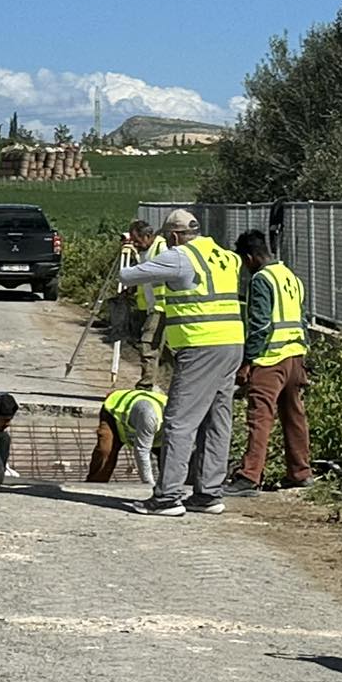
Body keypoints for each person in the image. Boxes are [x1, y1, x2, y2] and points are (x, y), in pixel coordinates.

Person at [113, 208, 245, 516]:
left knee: (179, 421)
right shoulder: (226, 257)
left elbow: (127, 276)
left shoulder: (180, 256)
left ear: (173, 236)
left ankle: (168, 496)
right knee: (217, 420)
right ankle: (209, 493)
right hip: (232, 343)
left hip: (200, 345)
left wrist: (129, 253)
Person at [225, 229, 313, 496]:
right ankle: (300, 472)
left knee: (260, 417)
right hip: (295, 356)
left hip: (270, 359)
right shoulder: (290, 276)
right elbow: (302, 319)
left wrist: (247, 361)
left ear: (250, 257)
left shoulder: (261, 280)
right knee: (294, 415)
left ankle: (249, 476)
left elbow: (260, 325)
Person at [119, 220, 167, 389]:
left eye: (137, 240)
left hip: (162, 307)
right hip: (149, 306)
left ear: (148, 236)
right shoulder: (143, 252)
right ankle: (153, 381)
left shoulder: (162, 249)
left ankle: (146, 385)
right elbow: (142, 275)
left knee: (148, 344)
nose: (135, 243)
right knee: (157, 347)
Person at [86, 386, 164, 487]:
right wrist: (149, 485)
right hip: (114, 414)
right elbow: (142, 451)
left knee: (168, 457)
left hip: (142, 422)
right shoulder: (150, 416)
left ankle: (169, 488)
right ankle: (94, 486)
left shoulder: (181, 420)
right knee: (106, 450)